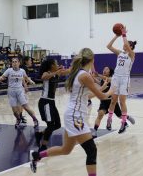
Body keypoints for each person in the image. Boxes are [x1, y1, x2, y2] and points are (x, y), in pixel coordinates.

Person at [30, 48, 115, 176]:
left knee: (66, 149)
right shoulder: (85, 75)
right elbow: (102, 97)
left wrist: (104, 88)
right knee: (91, 150)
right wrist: (113, 89)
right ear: (92, 60)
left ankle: (36, 156)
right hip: (75, 117)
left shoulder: (78, 73)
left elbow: (87, 96)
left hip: (73, 115)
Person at [106, 27, 137, 134]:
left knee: (122, 101)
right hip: (116, 77)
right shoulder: (120, 53)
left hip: (125, 78)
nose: (124, 45)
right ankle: (109, 120)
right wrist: (117, 35)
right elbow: (108, 46)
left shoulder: (132, 55)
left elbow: (127, 46)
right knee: (113, 101)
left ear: (131, 46)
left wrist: (124, 34)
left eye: (127, 44)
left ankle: (123, 123)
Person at [35, 59, 69, 152]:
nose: (58, 64)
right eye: (56, 63)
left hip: (51, 102)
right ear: (51, 65)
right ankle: (43, 146)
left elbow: (68, 71)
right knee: (50, 125)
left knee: (57, 124)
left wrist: (77, 67)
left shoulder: (56, 72)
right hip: (45, 102)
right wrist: (56, 71)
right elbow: (43, 77)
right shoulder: (47, 73)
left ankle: (40, 134)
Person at [93, 66, 135, 137]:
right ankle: (94, 131)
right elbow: (99, 82)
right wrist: (92, 77)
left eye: (106, 69)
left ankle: (127, 118)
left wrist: (98, 75)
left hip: (112, 101)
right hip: (104, 101)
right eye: (104, 69)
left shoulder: (113, 79)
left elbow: (107, 79)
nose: (104, 70)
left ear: (110, 72)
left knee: (119, 116)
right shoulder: (102, 80)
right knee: (100, 114)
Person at [0, 58, 38, 128]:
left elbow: (26, 77)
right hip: (11, 91)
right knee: (15, 112)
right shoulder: (9, 70)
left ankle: (35, 119)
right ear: (11, 63)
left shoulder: (22, 71)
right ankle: (18, 119)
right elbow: (3, 76)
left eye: (16, 62)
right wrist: (0, 78)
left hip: (20, 90)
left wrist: (30, 81)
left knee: (26, 107)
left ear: (19, 63)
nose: (14, 63)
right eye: (13, 62)